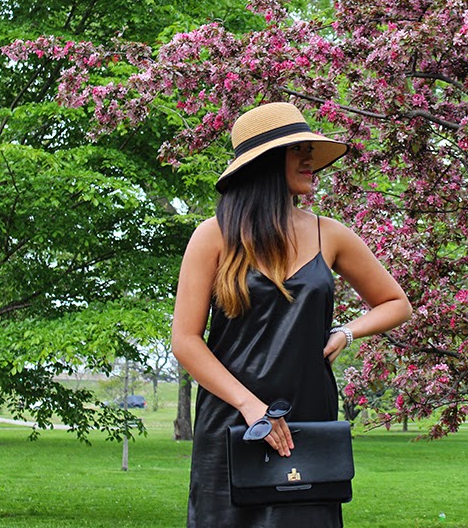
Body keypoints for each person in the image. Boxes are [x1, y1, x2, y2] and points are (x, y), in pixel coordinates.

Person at [172, 101, 412, 527]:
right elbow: (185, 341)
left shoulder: (329, 233)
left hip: (307, 416)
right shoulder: (214, 236)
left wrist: (346, 333)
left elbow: (396, 303)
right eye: (297, 149)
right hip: (232, 416)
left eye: (310, 150)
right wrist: (252, 407)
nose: (309, 160)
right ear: (264, 161)